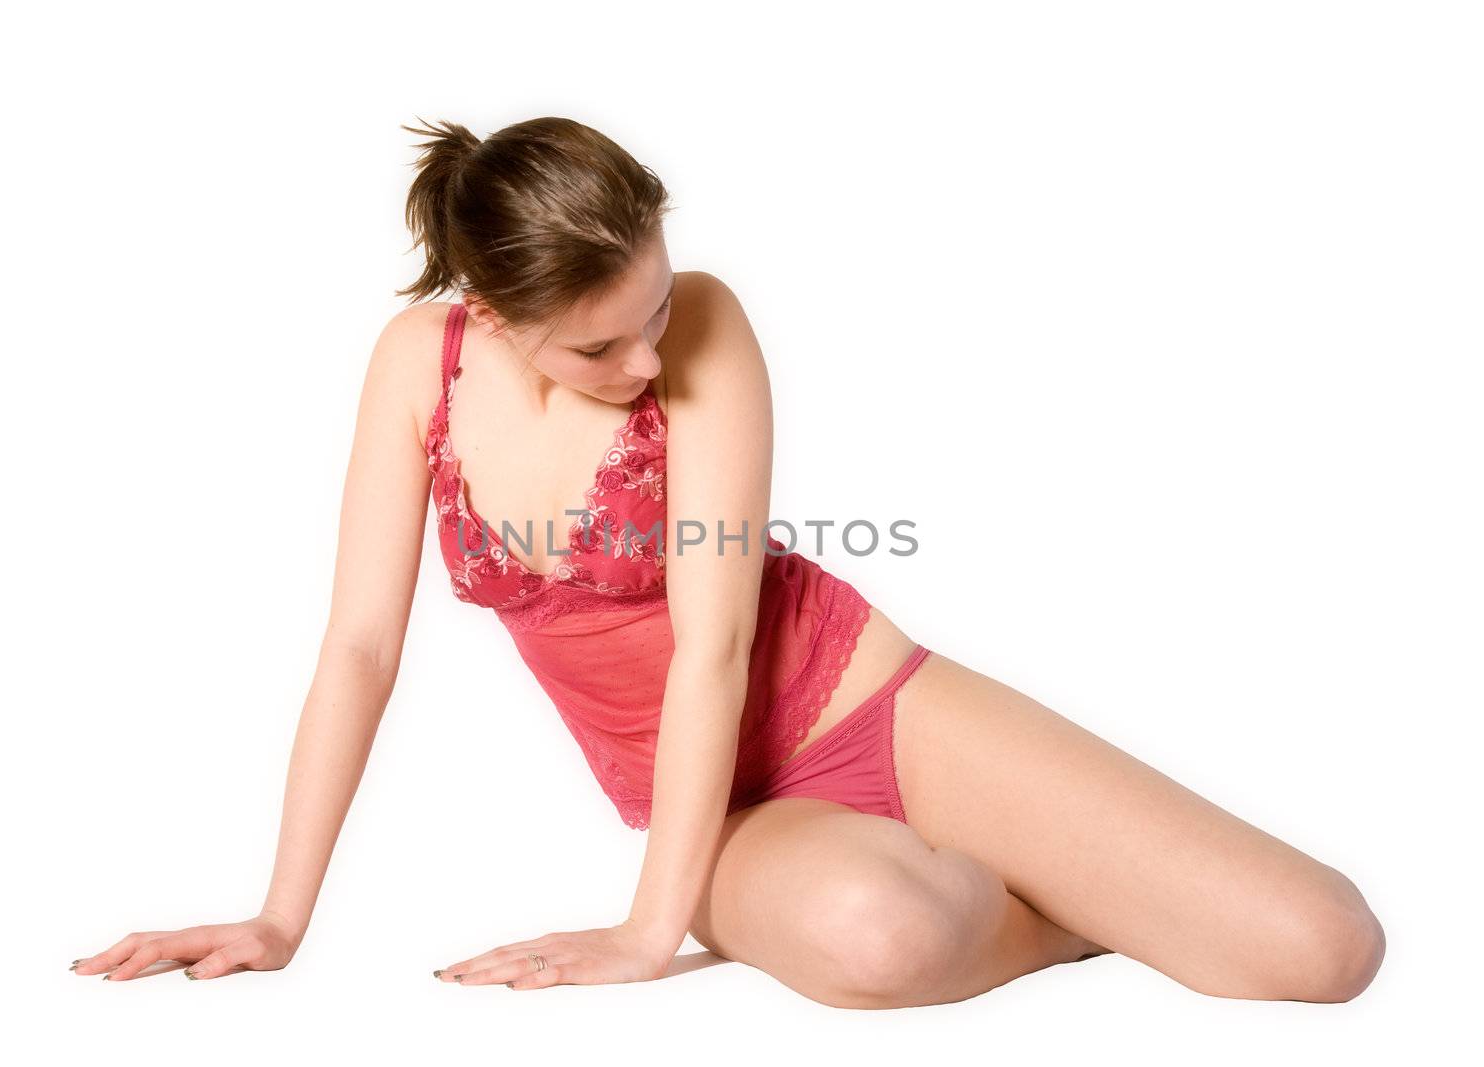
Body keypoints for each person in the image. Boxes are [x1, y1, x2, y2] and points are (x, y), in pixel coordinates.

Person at [71, 116, 1385, 1009]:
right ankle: (1077, 912)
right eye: (598, 350)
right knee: (877, 942)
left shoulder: (702, 323)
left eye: (651, 312)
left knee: (1325, 950)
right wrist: (280, 917)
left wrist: (651, 934)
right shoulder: (420, 364)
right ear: (491, 310)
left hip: (859, 698)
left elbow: (716, 645)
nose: (647, 362)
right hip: (727, 805)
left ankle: (1071, 868)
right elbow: (359, 648)